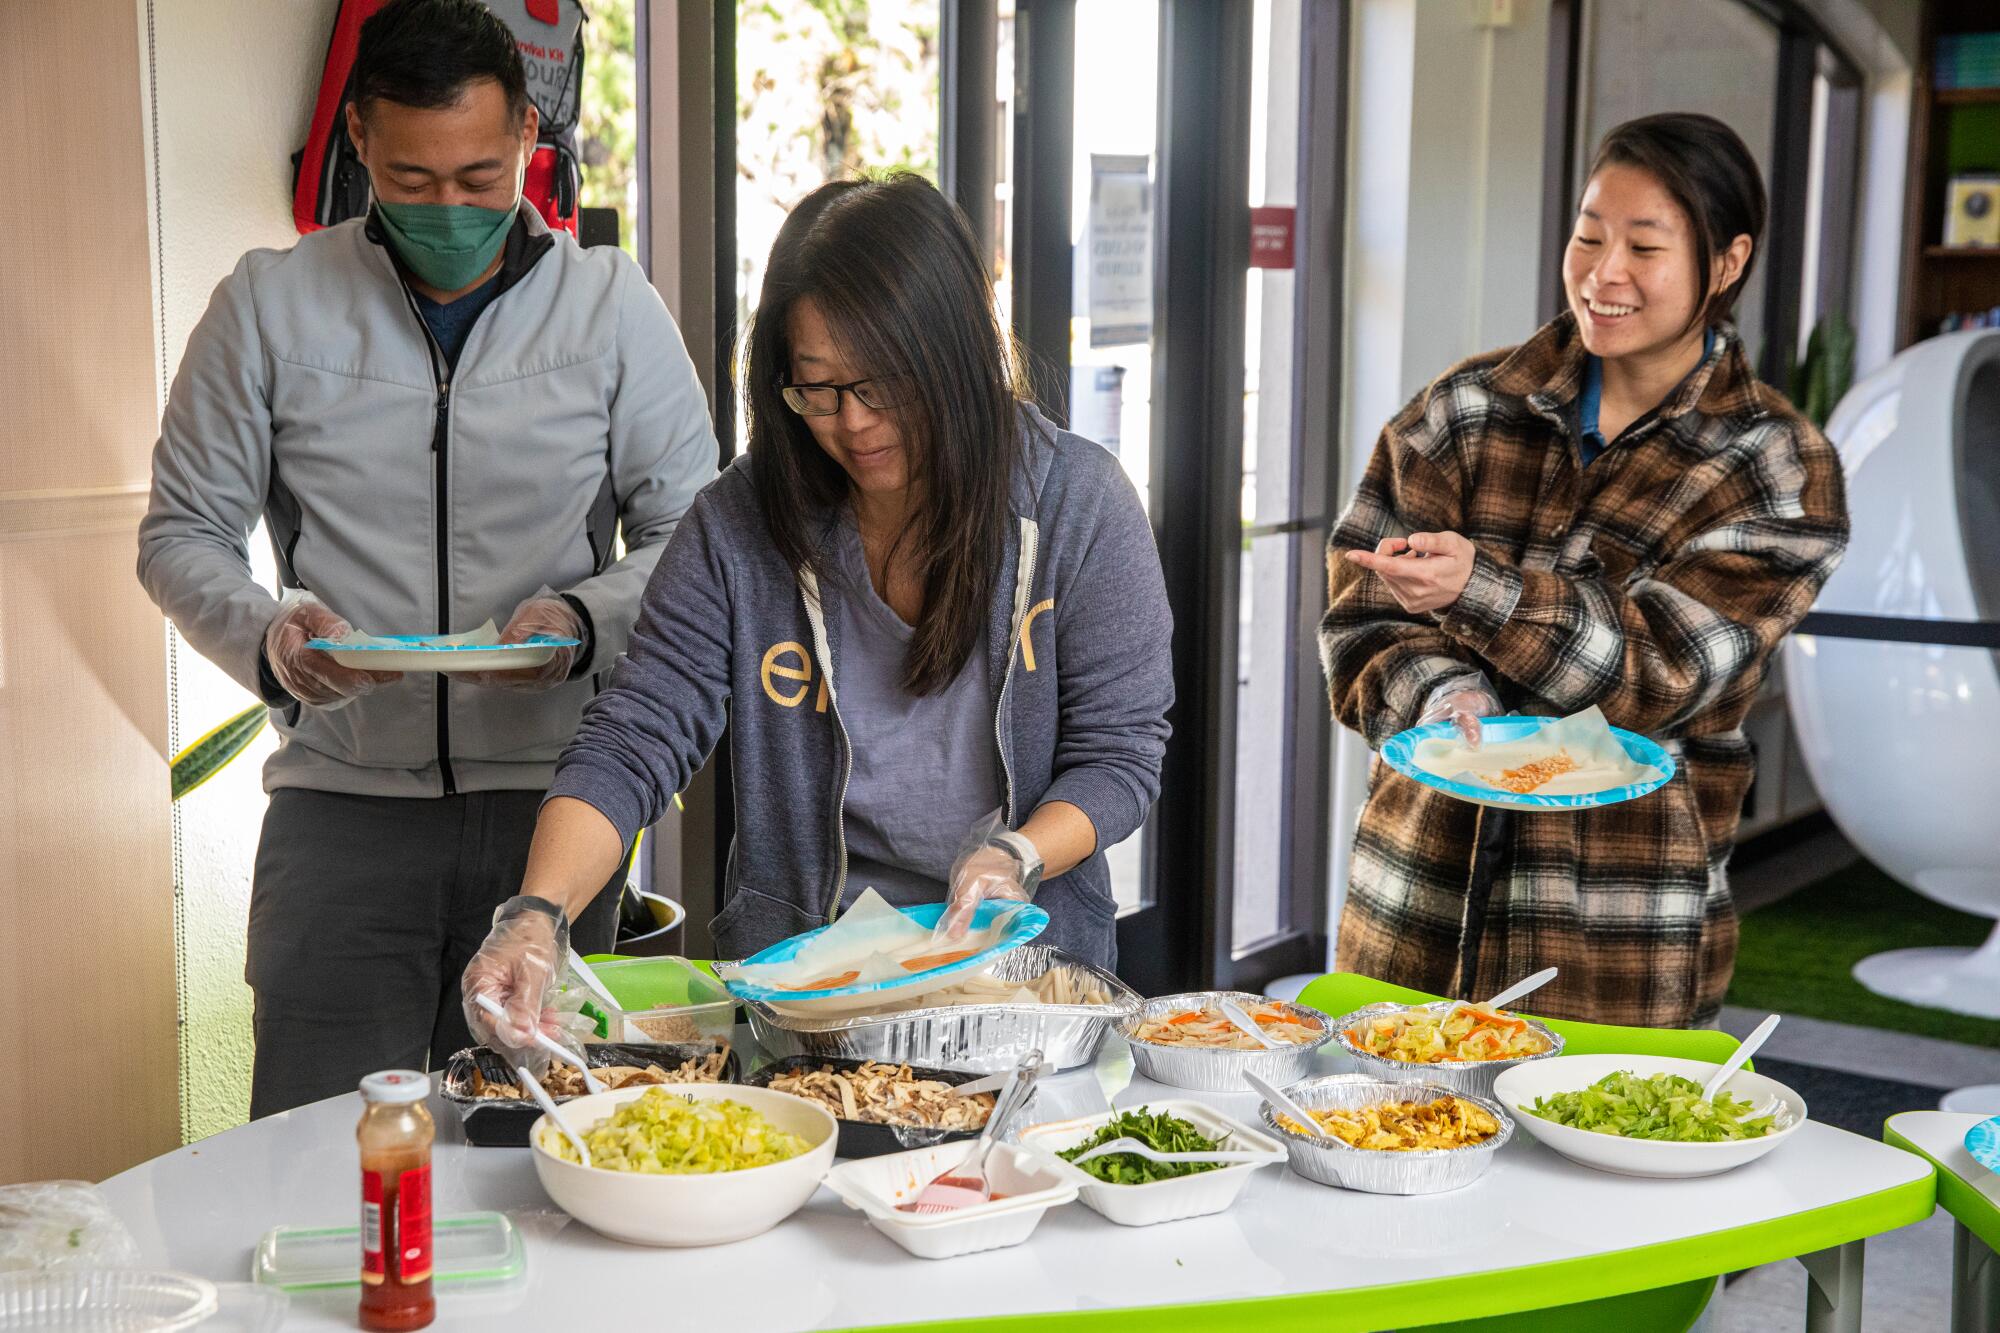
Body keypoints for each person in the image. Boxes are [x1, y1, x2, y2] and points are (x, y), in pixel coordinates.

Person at [137, 0, 716, 1116]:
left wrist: (587, 620)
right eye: (413, 182)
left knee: (540, 1153)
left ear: (527, 148)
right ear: (357, 140)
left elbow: (695, 539)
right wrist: (270, 639)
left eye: (480, 177)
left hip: (554, 816)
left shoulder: (611, 309)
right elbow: (180, 532)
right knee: (321, 1153)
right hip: (339, 812)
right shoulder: (267, 306)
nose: (451, 209)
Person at [457, 173, 1173, 1059]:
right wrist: (537, 913)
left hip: (1021, 988)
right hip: (808, 1000)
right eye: (819, 390)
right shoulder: (740, 523)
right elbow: (632, 737)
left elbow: (1121, 755)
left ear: (956, 355)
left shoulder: (1079, 505)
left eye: (885, 386)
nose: (856, 423)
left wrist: (1016, 857)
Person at [1320, 113, 1849, 1028]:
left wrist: (1478, 591)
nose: (1604, 273)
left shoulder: (1777, 468)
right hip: (1415, 899)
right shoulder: (1463, 409)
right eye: (1589, 234)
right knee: (1378, 1144)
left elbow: (1664, 671)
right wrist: (1448, 699)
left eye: (1645, 246)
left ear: (1726, 264)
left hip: (1619, 926)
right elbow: (1362, 617)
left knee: (1597, 1149)